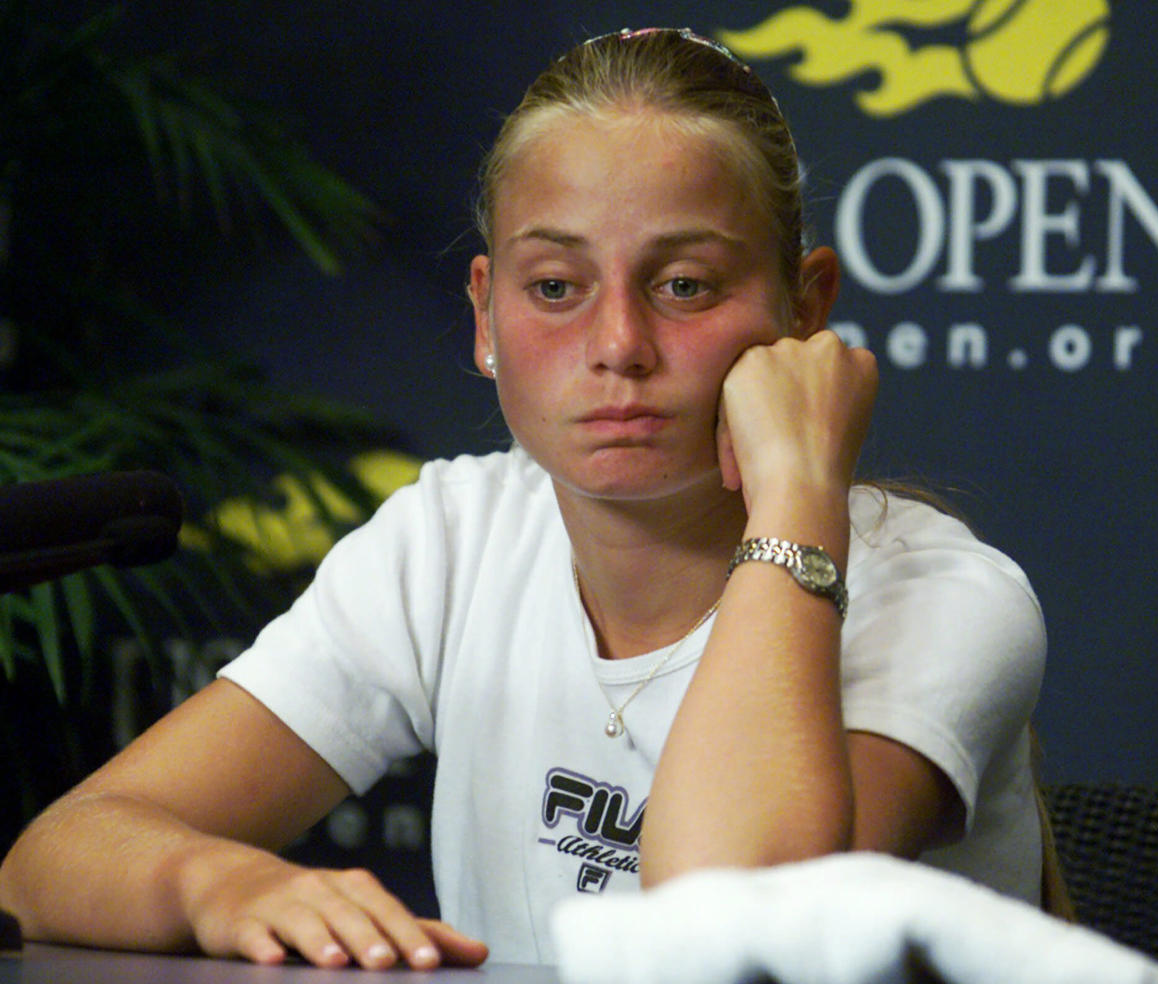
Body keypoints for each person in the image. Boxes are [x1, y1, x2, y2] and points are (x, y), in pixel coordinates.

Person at [0, 27, 1047, 970]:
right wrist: (219, 882)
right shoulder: (451, 540)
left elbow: (720, 939)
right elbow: (52, 860)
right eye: (556, 287)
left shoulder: (946, 597)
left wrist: (799, 495)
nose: (618, 347)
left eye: (683, 285)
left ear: (804, 307)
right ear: (485, 315)